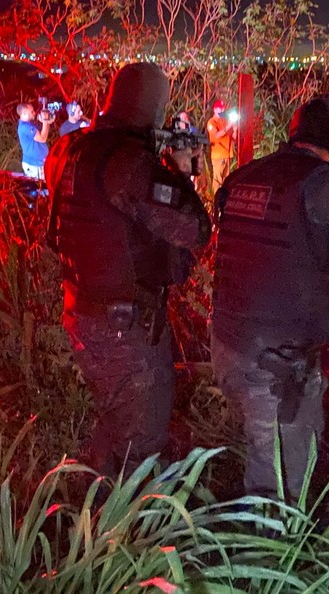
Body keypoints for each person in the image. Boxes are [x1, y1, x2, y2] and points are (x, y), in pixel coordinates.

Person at [211, 96, 329, 500]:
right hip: (278, 366)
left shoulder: (245, 174)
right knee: (280, 485)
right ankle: (268, 555)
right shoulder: (325, 184)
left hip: (228, 344)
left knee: (263, 451)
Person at [45, 63, 211, 477]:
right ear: (152, 109)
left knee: (114, 419)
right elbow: (194, 229)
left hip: (81, 308)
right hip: (125, 325)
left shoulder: (70, 149)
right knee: (143, 439)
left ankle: (89, 510)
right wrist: (180, 171)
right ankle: (126, 531)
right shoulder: (129, 163)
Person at [17, 102, 53, 179]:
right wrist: (45, 121)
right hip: (34, 165)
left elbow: (44, 131)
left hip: (38, 164)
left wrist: (47, 121)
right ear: (24, 113)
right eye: (31, 111)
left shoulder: (30, 125)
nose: (34, 113)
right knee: (39, 188)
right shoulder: (25, 127)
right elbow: (43, 139)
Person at [207, 99, 236, 193]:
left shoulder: (225, 120)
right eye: (220, 109)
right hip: (218, 155)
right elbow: (217, 135)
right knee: (217, 181)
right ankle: (214, 201)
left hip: (227, 155)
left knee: (226, 181)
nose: (222, 111)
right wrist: (228, 126)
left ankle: (223, 203)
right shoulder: (211, 122)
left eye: (223, 108)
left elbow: (234, 137)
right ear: (215, 109)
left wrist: (235, 128)